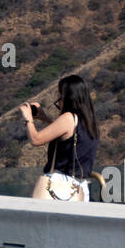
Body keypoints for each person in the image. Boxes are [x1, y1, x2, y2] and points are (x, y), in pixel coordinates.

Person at [20, 73, 100, 201]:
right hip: (80, 188)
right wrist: (45, 118)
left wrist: (28, 120)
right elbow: (67, 135)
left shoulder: (68, 118)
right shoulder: (89, 122)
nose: (59, 101)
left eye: (60, 97)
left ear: (69, 98)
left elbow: (36, 139)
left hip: (59, 186)